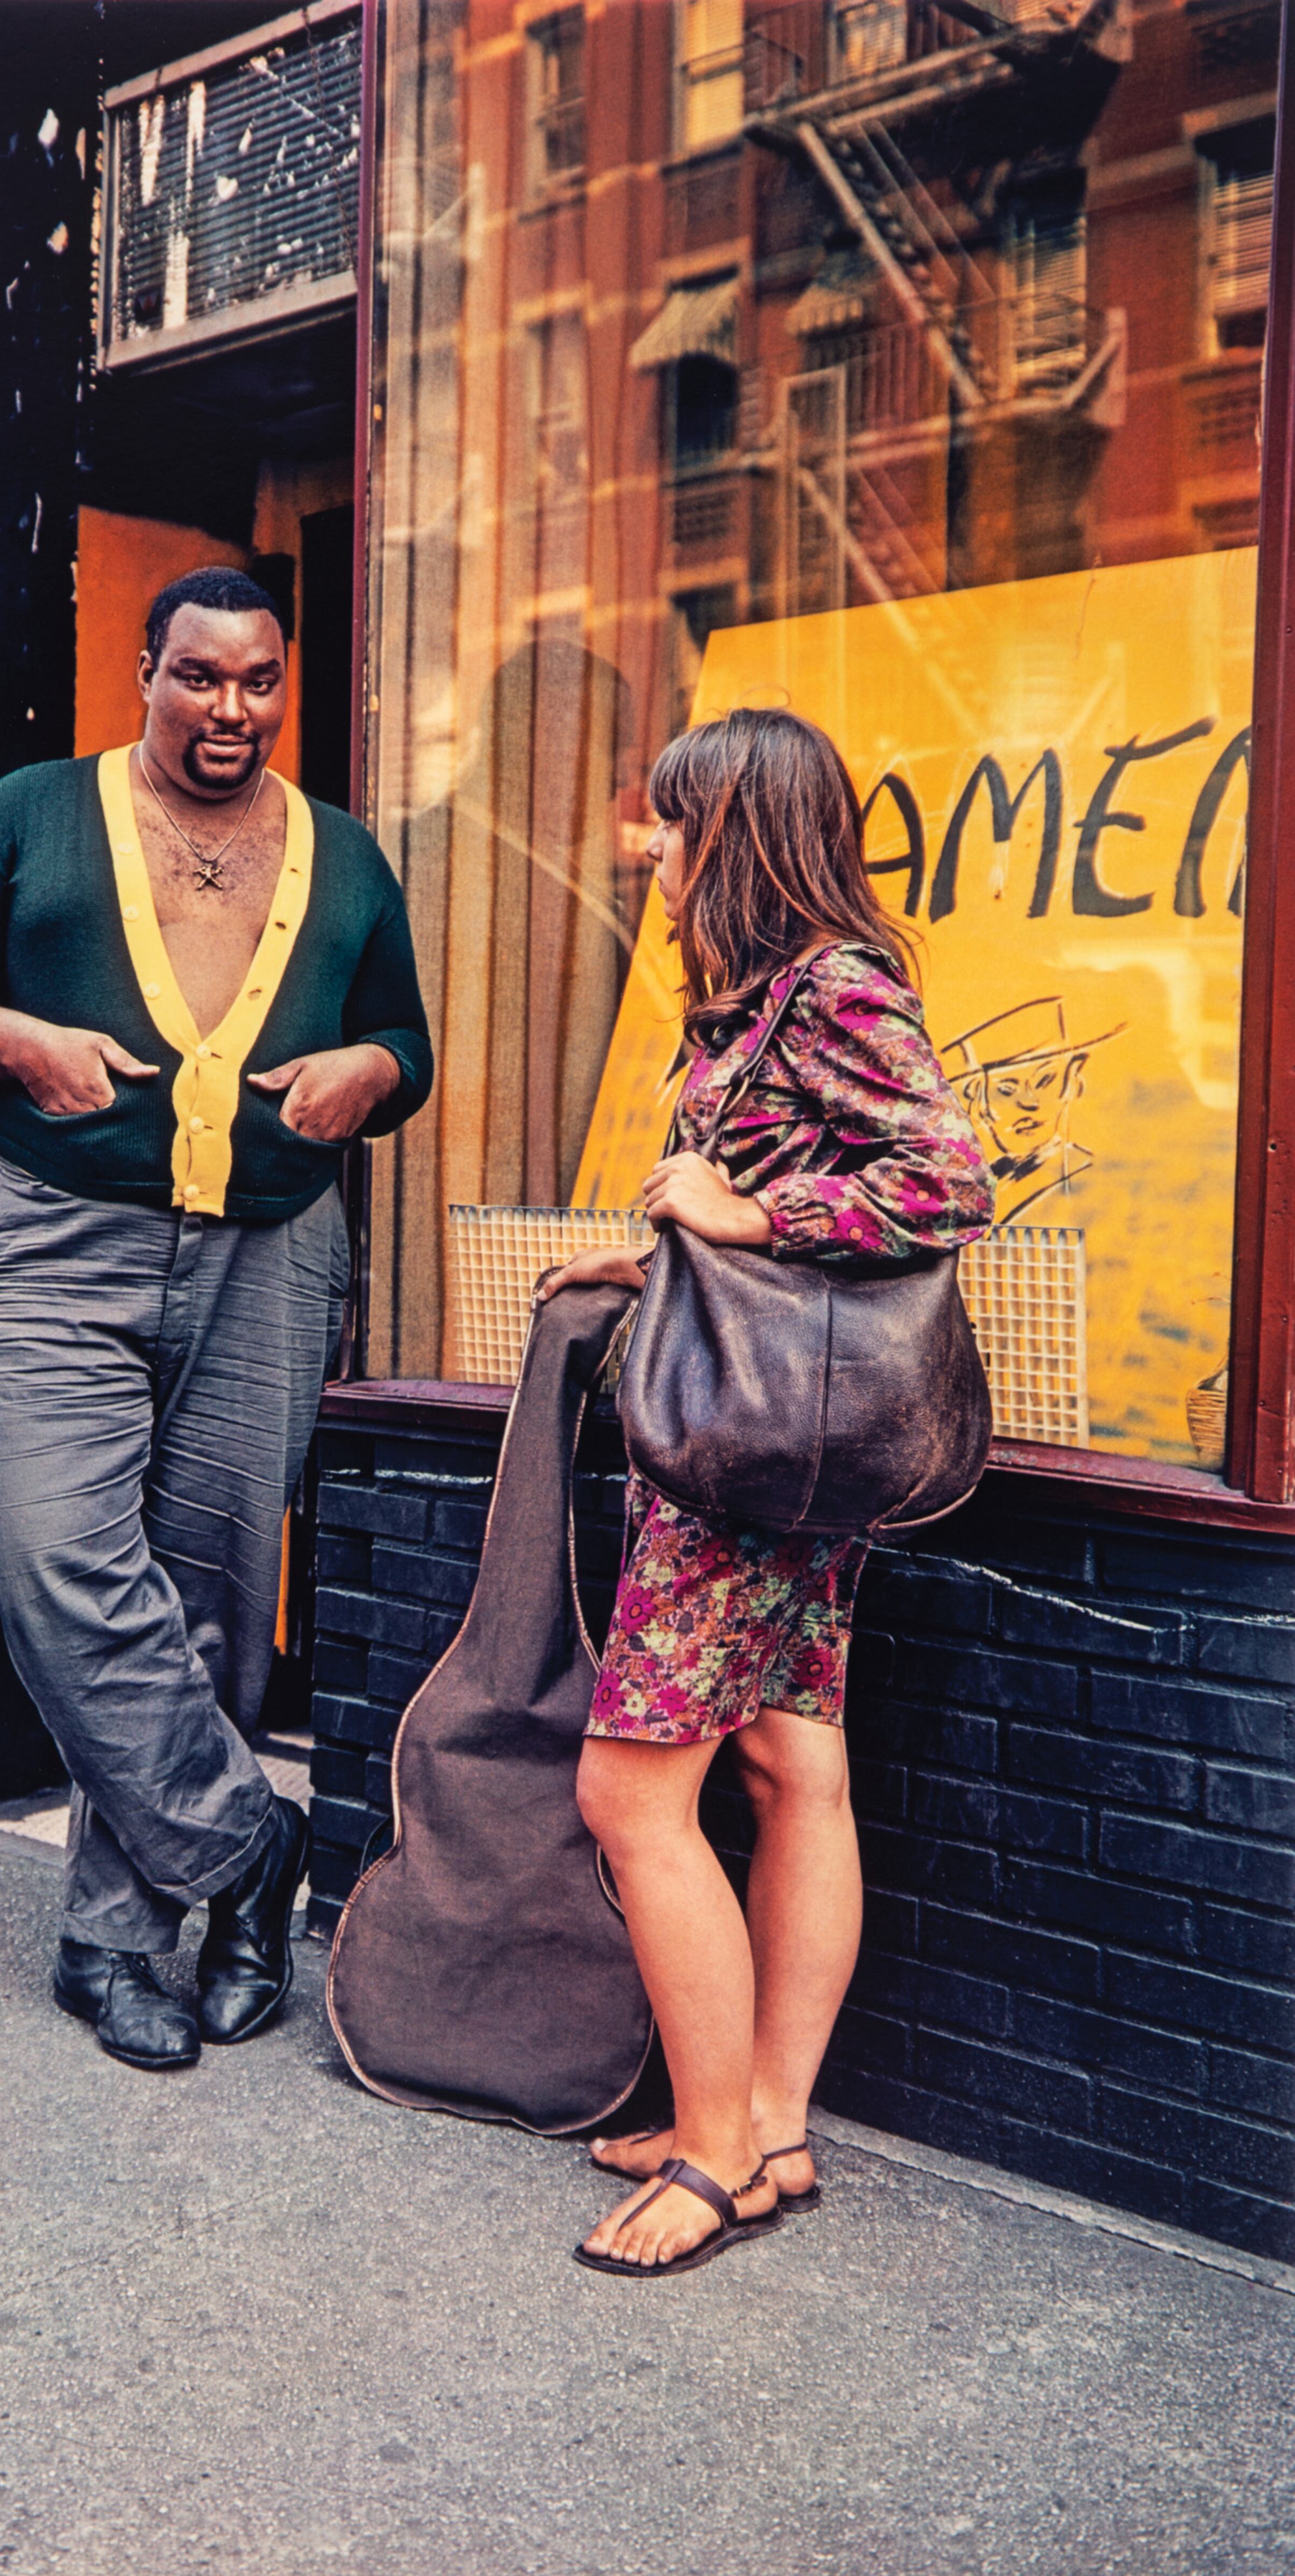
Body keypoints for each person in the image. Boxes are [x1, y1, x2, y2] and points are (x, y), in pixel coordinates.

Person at [0, 566, 433, 2070]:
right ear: (145, 672)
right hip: (57, 1239)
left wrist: (360, 1080)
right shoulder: (27, 816)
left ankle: (116, 1941)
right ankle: (249, 1849)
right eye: (198, 678)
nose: (229, 711)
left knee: (209, 1590)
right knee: (50, 1550)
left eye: (258, 682)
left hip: (270, 1252)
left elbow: (407, 1040)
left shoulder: (344, 854)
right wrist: (15, 1044)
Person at [543, 706, 991, 2276]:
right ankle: (772, 2123)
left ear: (736, 832)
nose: (651, 854)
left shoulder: (834, 989)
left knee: (632, 1791)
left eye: (672, 825)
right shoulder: (745, 1006)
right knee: (794, 1763)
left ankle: (718, 2149)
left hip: (750, 1467)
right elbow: (753, 1210)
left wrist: (746, 1207)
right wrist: (663, 1243)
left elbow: (949, 1176)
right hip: (775, 1436)